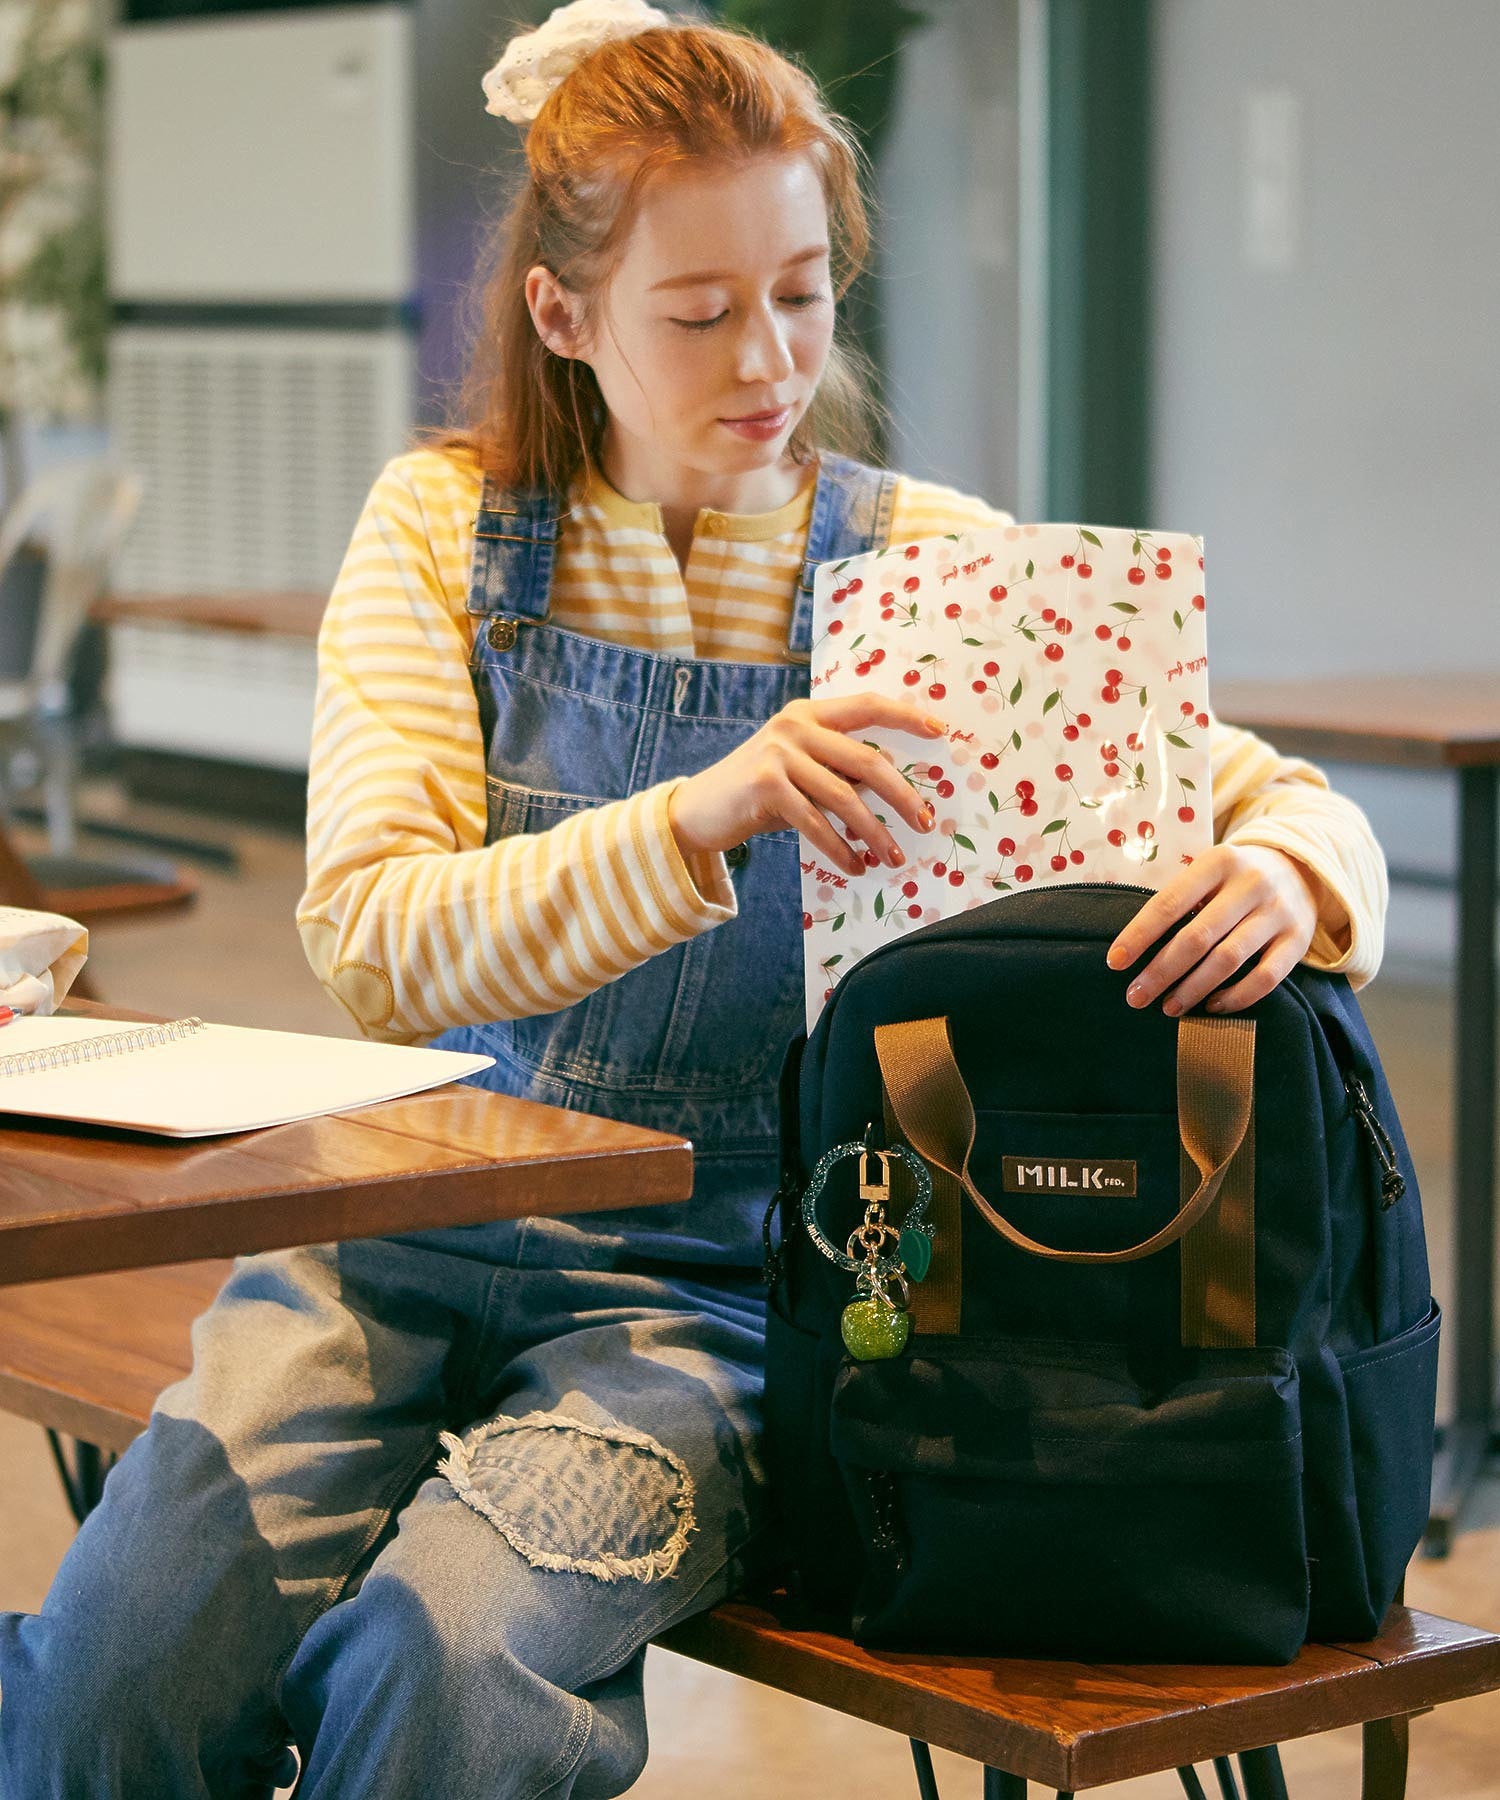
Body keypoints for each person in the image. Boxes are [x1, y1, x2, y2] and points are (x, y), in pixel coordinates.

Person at [0, 4, 1388, 1795]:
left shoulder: (924, 562)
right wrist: (698, 817)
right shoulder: (442, 530)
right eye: (702, 310)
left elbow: (1280, 795)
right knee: (118, 1661)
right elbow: (376, 944)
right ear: (564, 317)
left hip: (723, 1290)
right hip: (390, 1240)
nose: (771, 357)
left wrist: (1292, 871)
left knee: (453, 1671)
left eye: (803, 292)